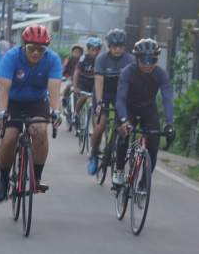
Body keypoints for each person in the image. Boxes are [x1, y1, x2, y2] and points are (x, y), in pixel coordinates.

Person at [0, 25, 62, 203]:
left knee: (40, 131)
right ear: (24, 46)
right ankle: (3, 180)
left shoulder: (52, 60)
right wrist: (2, 112)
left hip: (36, 101)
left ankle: (36, 178)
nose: (36, 53)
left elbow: (54, 88)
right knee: (9, 138)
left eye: (41, 49)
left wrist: (56, 112)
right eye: (32, 49)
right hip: (12, 101)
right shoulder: (12, 57)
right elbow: (3, 89)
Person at [113, 38, 176, 187]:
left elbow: (167, 99)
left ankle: (144, 182)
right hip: (128, 108)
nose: (148, 64)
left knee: (153, 144)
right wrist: (123, 120)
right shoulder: (127, 72)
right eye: (144, 60)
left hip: (148, 108)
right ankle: (120, 170)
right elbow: (120, 99)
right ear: (137, 59)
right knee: (124, 134)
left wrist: (169, 123)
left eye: (152, 60)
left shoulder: (161, 74)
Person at [87, 29, 135, 175]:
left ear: (124, 46)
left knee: (123, 124)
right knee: (101, 124)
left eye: (120, 46)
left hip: (120, 94)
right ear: (109, 46)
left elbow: (133, 82)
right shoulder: (101, 59)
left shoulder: (130, 60)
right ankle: (94, 153)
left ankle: (118, 153)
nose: (118, 49)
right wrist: (100, 102)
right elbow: (99, 81)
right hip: (104, 92)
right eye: (114, 46)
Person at [72, 37, 102, 130]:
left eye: (97, 50)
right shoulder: (83, 58)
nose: (95, 52)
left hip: (94, 83)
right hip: (83, 82)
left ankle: (95, 127)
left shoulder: (101, 59)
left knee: (95, 104)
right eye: (93, 50)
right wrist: (75, 86)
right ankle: (75, 113)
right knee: (84, 97)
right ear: (88, 50)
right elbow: (77, 72)